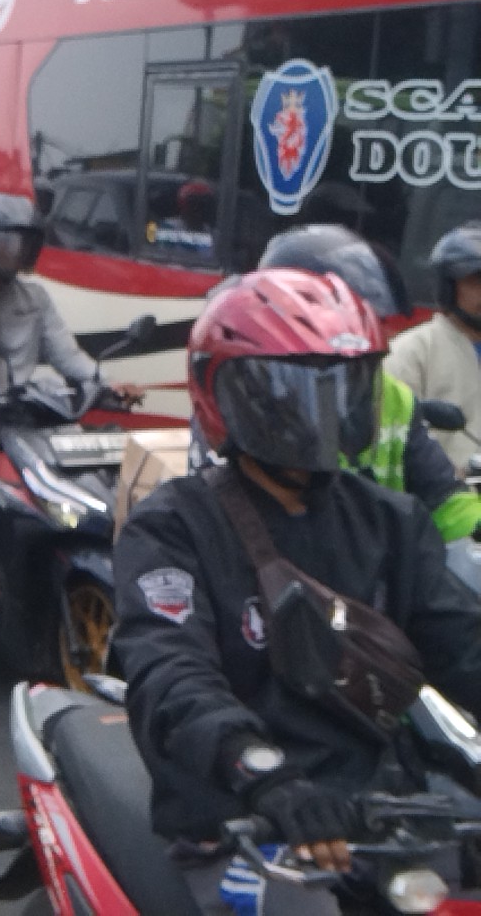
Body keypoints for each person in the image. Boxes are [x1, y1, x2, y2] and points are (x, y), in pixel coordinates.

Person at [114, 268, 481, 914]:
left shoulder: (391, 522)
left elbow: (465, 645)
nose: (323, 414)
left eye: (341, 389)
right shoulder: (174, 526)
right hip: (241, 817)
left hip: (377, 814)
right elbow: (170, 672)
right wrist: (263, 773)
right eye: (295, 392)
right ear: (231, 395)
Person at [0, 193, 143, 630]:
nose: (13, 252)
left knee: (88, 466)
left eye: (23, 244)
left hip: (25, 410)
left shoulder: (35, 298)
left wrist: (107, 385)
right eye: (5, 242)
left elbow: (68, 356)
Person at [257, 224, 481, 544]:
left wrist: (475, 527)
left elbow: (445, 498)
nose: (381, 335)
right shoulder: (256, 396)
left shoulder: (392, 396)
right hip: (285, 569)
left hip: (379, 568)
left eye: (375, 320)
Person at [386, 222, 481, 474]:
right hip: (440, 500)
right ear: (448, 287)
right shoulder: (411, 352)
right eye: (476, 281)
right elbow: (391, 441)